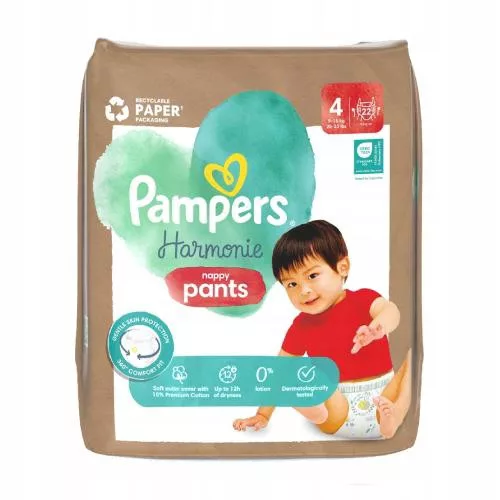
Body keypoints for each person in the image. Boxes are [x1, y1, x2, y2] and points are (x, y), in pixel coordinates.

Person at [233, 220, 411, 439]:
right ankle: (313, 408)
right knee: (296, 373)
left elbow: (391, 310)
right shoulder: (301, 326)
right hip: (336, 409)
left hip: (384, 397)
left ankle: (395, 416)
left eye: (312, 276)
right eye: (292, 284)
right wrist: (263, 414)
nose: (304, 290)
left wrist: (378, 327)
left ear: (342, 267)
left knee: (411, 359)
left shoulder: (364, 299)